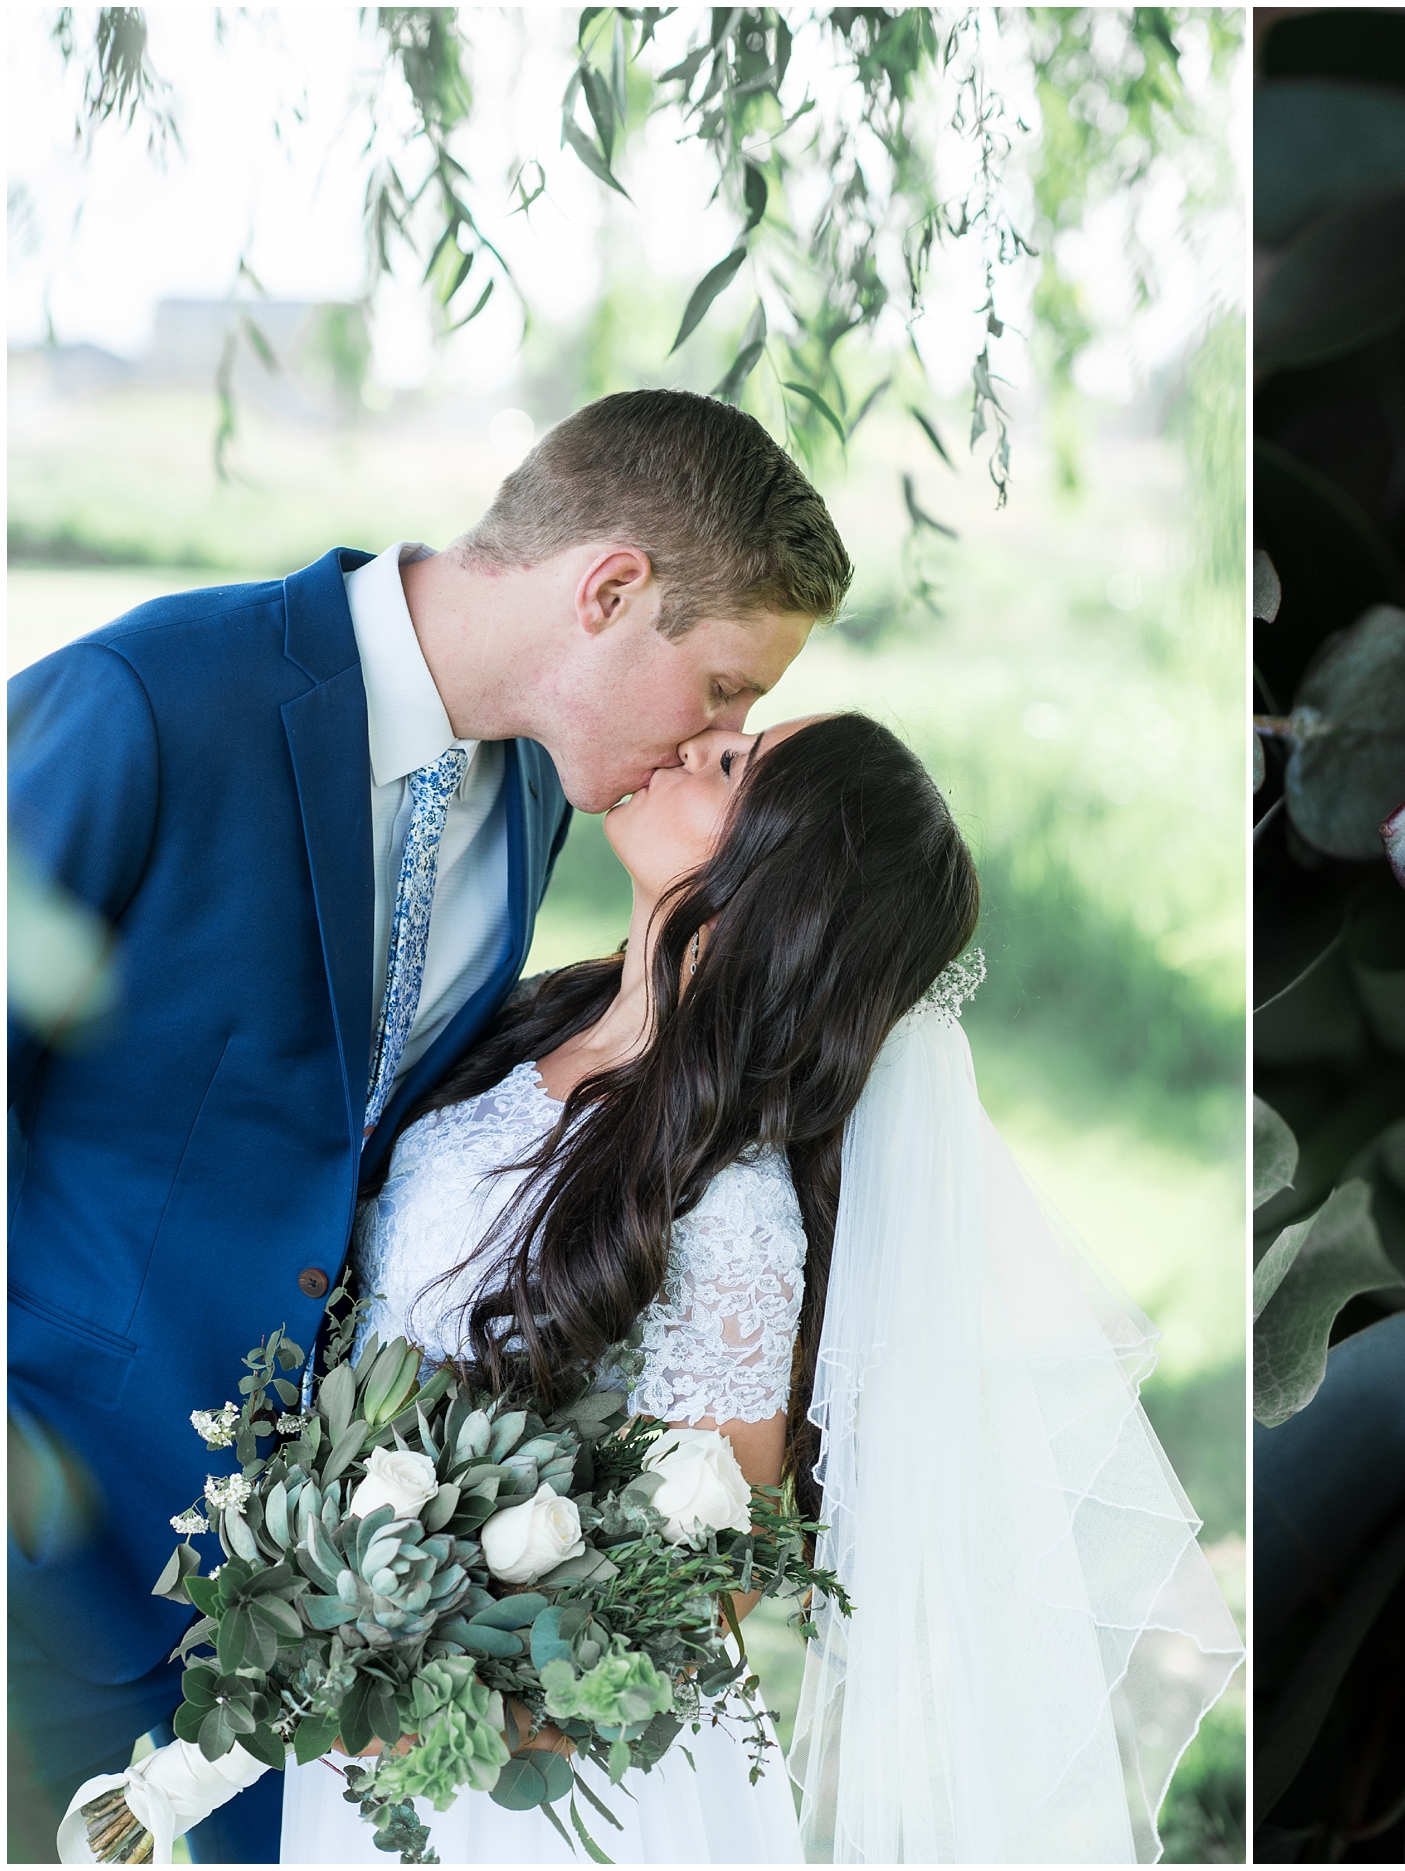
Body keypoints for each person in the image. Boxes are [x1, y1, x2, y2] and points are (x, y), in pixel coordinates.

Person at [7, 389, 847, 1863]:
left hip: (307, 1624)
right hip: (46, 1566)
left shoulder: (536, 798)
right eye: (720, 688)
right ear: (608, 592)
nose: (728, 737)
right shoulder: (150, 704)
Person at [276, 711, 1241, 1861]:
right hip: (350, 1673)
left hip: (519, 1784)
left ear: (772, 888)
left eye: (734, 763)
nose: (691, 737)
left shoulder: (726, 1212)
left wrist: (447, 1710)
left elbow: (704, 1577)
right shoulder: (529, 1016)